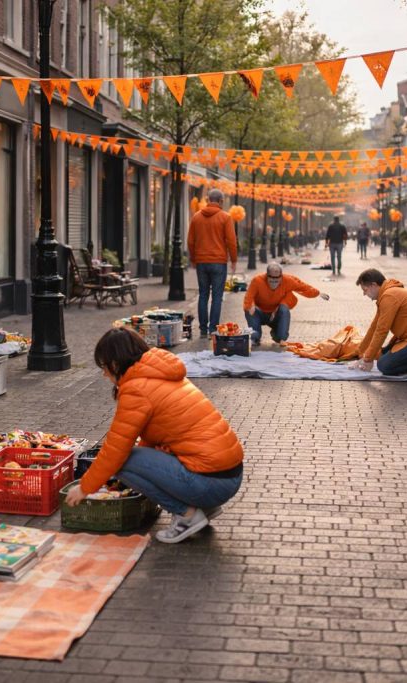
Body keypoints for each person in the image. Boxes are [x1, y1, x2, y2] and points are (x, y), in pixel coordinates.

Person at [65, 328, 244, 543]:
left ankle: (187, 515)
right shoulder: (159, 373)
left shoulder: (136, 389)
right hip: (228, 476)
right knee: (128, 458)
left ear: (115, 364)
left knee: (122, 462)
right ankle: (204, 508)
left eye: (104, 367)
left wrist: (85, 487)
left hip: (211, 483)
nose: (104, 374)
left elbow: (115, 450)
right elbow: (150, 438)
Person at [187, 188, 238, 337]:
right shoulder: (225, 217)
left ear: (208, 200)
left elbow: (190, 241)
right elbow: (231, 241)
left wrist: (193, 259)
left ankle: (203, 329)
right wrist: (234, 260)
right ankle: (213, 330)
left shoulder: (196, 217)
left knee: (203, 295)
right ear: (221, 201)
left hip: (201, 262)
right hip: (218, 262)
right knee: (217, 297)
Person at [243, 263, 329, 348]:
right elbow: (248, 296)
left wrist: (317, 293)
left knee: (284, 309)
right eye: (271, 278)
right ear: (267, 275)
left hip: (276, 314)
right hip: (260, 313)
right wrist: (250, 305)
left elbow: (302, 286)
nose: (274, 281)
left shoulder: (288, 280)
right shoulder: (257, 281)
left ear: (281, 276)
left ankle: (280, 337)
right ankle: (254, 337)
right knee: (249, 308)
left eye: (277, 278)